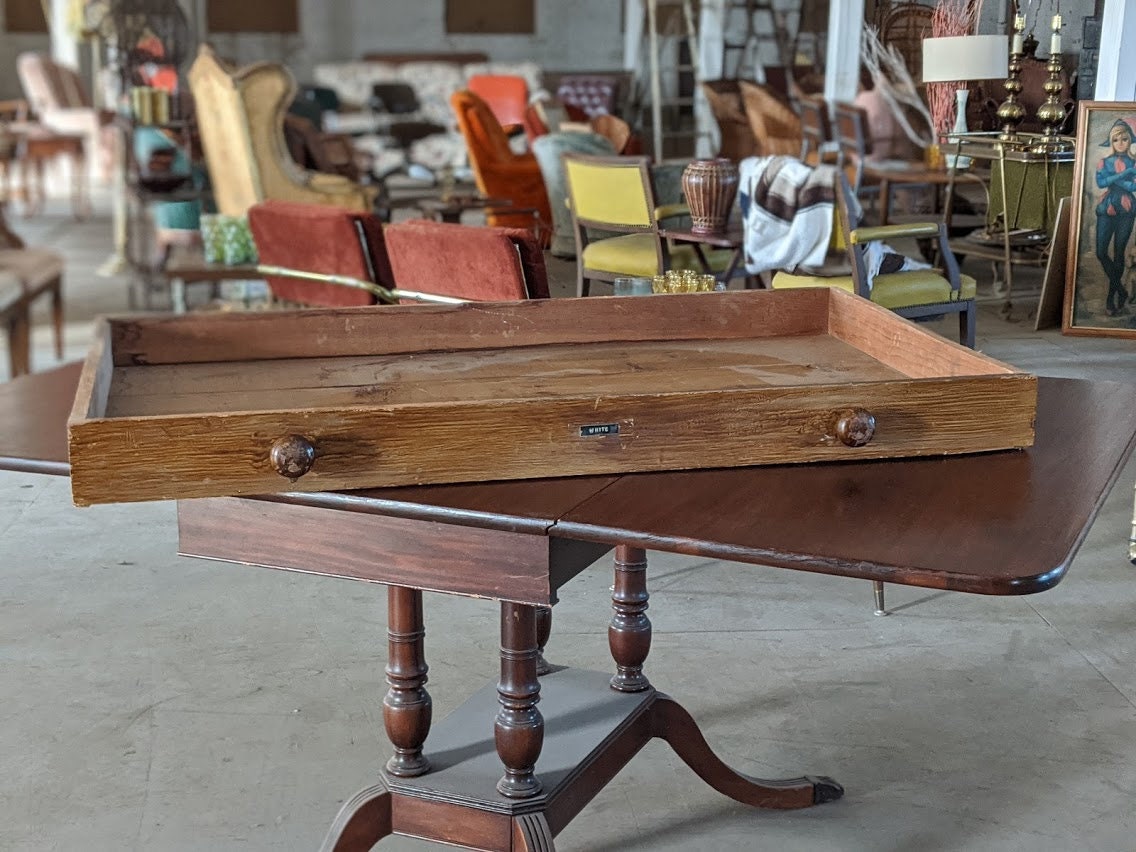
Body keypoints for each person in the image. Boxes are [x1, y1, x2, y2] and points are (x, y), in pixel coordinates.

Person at [1094, 118, 1136, 316]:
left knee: (1119, 253)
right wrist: (1125, 174)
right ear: (1111, 141)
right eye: (1116, 139)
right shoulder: (1104, 161)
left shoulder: (1134, 162)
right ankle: (1121, 289)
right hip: (1108, 206)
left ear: (1130, 141)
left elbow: (1133, 186)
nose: (1120, 143)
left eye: (1124, 139)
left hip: (1127, 209)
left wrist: (1115, 179)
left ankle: (1111, 299)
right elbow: (1101, 183)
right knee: (1101, 252)